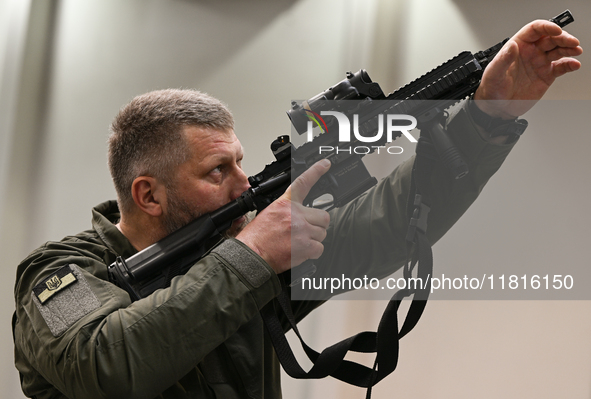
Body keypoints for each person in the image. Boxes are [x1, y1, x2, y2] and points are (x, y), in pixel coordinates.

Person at [13, 20, 581, 399]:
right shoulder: (63, 273)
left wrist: (487, 115)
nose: (244, 184)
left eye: (239, 162)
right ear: (148, 195)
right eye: (218, 172)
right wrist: (253, 252)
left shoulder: (235, 260)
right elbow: (105, 363)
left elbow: (385, 225)